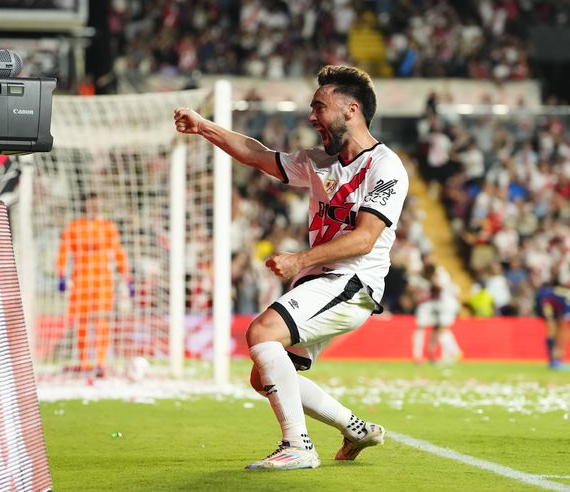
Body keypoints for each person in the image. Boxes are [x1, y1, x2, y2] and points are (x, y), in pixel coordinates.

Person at [174, 65, 409, 470]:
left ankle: (298, 446)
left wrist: (298, 258)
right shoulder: (319, 162)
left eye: (320, 106)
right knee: (263, 373)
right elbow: (257, 155)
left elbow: (365, 239)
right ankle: (353, 427)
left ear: (351, 110)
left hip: (352, 280)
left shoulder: (385, 167)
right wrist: (203, 127)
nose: (312, 116)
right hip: (324, 280)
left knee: (261, 332)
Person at [56, 193, 134, 378]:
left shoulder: (108, 227)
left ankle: (100, 362)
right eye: (91, 204)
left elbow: (118, 253)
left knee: (101, 321)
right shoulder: (74, 227)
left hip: (102, 282)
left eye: (97, 204)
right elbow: (63, 252)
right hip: (80, 281)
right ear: (85, 206)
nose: (94, 207)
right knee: (81, 322)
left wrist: (127, 277)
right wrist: (60, 274)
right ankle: (84, 362)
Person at [411, 255, 462, 364]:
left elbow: (441, 287)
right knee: (431, 329)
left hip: (442, 305)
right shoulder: (422, 275)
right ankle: (422, 356)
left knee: (440, 329)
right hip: (433, 305)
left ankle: (448, 353)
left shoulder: (439, 274)